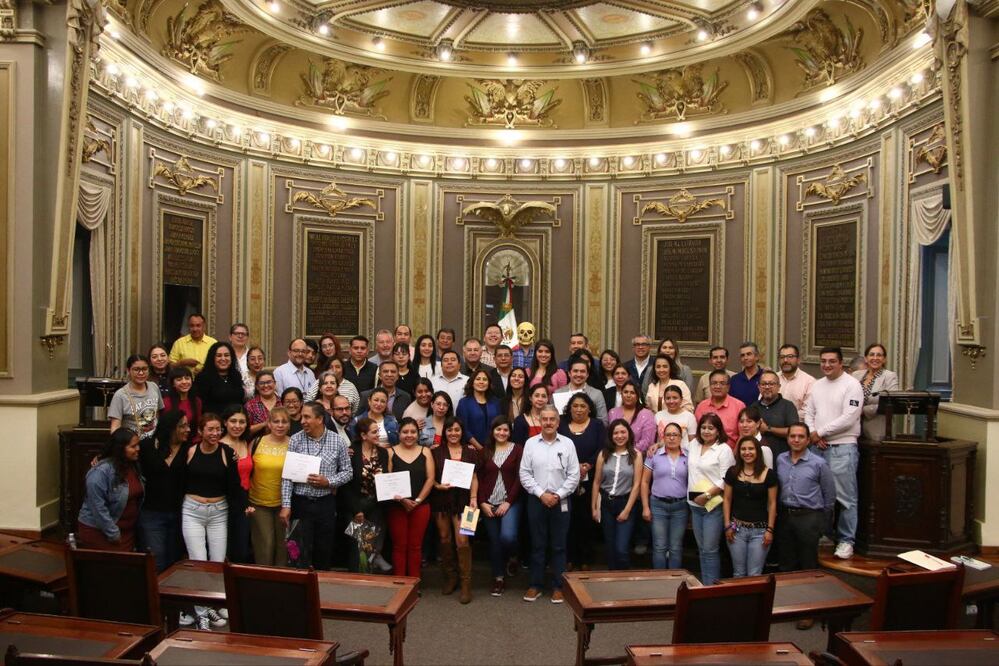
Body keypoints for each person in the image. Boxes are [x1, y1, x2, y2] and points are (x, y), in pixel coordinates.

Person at [803, 347, 863, 560]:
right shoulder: (818, 386)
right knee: (819, 497)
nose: (827, 365)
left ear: (841, 363)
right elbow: (809, 412)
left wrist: (821, 432)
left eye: (831, 361)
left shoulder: (852, 385)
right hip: (817, 448)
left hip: (842, 448)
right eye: (823, 361)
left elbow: (849, 417)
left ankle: (846, 541)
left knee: (846, 498)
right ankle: (826, 534)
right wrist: (812, 433)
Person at [183, 413, 242, 630]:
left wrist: (243, 506)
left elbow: (235, 485)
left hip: (219, 511)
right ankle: (201, 612)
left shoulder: (227, 453)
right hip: (192, 511)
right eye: (210, 429)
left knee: (217, 563)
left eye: (218, 429)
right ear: (200, 431)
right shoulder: (190, 451)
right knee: (198, 561)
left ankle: (216, 603)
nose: (215, 433)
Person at [776, 422, 836, 629]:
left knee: (808, 565)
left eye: (801, 436)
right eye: (792, 436)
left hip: (809, 517)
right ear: (788, 438)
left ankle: (809, 611)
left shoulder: (818, 463)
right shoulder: (781, 460)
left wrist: (822, 523)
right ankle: (789, 606)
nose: (796, 440)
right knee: (787, 563)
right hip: (785, 515)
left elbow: (829, 497)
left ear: (808, 439)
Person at [279, 402, 352, 570]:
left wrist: (329, 482)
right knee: (297, 552)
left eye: (307, 417)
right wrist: (286, 505)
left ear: (319, 419)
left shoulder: (338, 441)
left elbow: (348, 472)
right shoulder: (296, 439)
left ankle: (321, 590)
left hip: (325, 504)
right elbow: (287, 476)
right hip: (300, 503)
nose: (302, 421)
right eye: (302, 417)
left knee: (323, 551)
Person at [519, 405, 580, 603]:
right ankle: (535, 585)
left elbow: (574, 475)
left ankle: (558, 586)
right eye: (544, 419)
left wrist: (558, 495)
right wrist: (541, 494)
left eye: (552, 419)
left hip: (560, 500)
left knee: (559, 546)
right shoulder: (530, 444)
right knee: (537, 544)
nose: (548, 423)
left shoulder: (568, 444)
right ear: (540, 421)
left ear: (557, 421)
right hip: (537, 500)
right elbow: (525, 473)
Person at [431, 418, 479, 604]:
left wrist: (474, 498)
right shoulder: (436, 452)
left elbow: (474, 478)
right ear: (445, 432)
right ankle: (450, 577)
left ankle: (466, 584)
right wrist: (437, 485)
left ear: (462, 432)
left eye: (457, 430)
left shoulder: (471, 452)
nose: (453, 433)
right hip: (441, 502)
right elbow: (430, 477)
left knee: (463, 541)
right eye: (449, 430)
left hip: (466, 504)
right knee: (445, 538)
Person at [475, 417, 523, 596]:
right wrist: (481, 502)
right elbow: (477, 479)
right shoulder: (484, 451)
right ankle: (498, 578)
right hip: (488, 503)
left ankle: (512, 556)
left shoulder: (518, 449)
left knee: (508, 537)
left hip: (511, 502)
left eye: (505, 430)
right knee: (494, 542)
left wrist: (508, 502)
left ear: (510, 432)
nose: (502, 433)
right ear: (492, 431)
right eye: (498, 429)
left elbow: (520, 478)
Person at [687, 412, 736, 585]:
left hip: (712, 506)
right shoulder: (693, 444)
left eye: (711, 428)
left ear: (718, 431)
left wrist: (707, 495)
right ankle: (704, 585)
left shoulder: (724, 449)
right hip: (694, 505)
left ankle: (711, 588)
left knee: (710, 549)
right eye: (703, 427)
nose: (706, 431)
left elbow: (727, 479)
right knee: (701, 549)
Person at [559, 392, 605, 571]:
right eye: (575, 406)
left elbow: (602, 448)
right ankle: (569, 557)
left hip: (590, 479)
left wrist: (588, 465)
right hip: (564, 479)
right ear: (569, 408)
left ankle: (586, 558)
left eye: (583, 406)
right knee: (567, 519)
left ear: (589, 409)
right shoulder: (561, 425)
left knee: (585, 520)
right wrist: (573, 467)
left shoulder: (597, 425)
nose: (579, 409)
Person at [78, 429, 144, 551]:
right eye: (133, 446)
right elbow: (98, 507)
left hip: (127, 532)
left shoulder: (132, 465)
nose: (138, 449)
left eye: (138, 445)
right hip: (101, 532)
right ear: (120, 448)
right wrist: (113, 533)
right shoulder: (101, 472)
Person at [139, 411, 189, 572]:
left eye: (187, 425)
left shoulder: (189, 449)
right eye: (182, 426)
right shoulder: (147, 446)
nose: (187, 429)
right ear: (170, 428)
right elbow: (124, 456)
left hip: (179, 513)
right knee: (156, 560)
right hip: (152, 512)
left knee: (174, 560)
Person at [386, 417, 435, 577]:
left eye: (413, 432)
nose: (409, 435)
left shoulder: (425, 451)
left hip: (421, 506)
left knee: (415, 546)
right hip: (396, 507)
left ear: (418, 433)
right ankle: (399, 583)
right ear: (398, 433)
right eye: (405, 432)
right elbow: (387, 480)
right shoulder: (390, 452)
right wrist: (402, 500)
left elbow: (430, 479)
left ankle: (414, 583)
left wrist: (417, 501)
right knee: (399, 546)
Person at [723, 436, 778, 577]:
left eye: (751, 449)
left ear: (758, 451)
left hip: (760, 532)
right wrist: (727, 525)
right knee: (738, 573)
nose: (747, 452)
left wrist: (770, 530)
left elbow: (772, 504)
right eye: (743, 449)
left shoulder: (769, 475)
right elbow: (727, 499)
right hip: (736, 531)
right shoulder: (732, 472)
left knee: (755, 574)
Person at [591, 420, 642, 570]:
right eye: (616, 433)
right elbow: (596, 482)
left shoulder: (636, 455)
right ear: (611, 436)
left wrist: (626, 510)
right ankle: (612, 579)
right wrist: (594, 507)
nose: (619, 436)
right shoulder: (603, 454)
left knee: (621, 548)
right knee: (610, 547)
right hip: (606, 503)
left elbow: (637, 484)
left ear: (629, 434)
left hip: (626, 503)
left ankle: (624, 580)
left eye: (623, 432)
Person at [343, 417, 391, 572]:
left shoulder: (383, 452)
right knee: (358, 549)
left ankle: (372, 582)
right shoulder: (351, 452)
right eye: (374, 432)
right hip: (356, 506)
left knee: (373, 545)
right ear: (363, 435)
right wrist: (356, 510)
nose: (378, 434)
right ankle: (356, 584)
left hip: (376, 505)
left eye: (378, 431)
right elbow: (346, 485)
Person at [641, 422, 688, 569]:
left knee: (675, 547)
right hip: (658, 506)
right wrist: (645, 507)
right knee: (659, 546)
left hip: (680, 507)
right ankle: (660, 580)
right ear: (663, 437)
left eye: (675, 435)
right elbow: (644, 482)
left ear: (681, 437)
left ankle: (675, 583)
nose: (672, 438)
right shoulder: (654, 455)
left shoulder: (689, 455)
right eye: (668, 435)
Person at [248, 407, 291, 567]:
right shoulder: (257, 442)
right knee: (264, 547)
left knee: (283, 549)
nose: (280, 425)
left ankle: (281, 584)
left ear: (289, 424)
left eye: (284, 422)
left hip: (284, 504)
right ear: (269, 424)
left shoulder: (294, 444)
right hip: (259, 503)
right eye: (276, 421)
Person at [220, 405, 253, 563]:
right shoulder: (218, 445)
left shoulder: (246, 443)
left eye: (242, 422)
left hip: (245, 502)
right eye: (233, 421)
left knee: (242, 550)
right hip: (224, 501)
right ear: (225, 422)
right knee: (225, 549)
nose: (237, 426)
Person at [109, 354, 163, 441]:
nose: (141, 373)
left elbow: (158, 414)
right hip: (133, 445)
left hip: (153, 442)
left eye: (144, 369)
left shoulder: (154, 387)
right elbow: (115, 427)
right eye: (136, 369)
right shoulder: (120, 395)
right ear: (128, 370)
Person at [852, 343, 899, 442]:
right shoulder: (856, 375)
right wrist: (853, 409)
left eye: (879, 355)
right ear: (866, 358)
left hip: (877, 430)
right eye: (872, 354)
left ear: (884, 359)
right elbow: (848, 397)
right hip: (853, 429)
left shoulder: (889, 376)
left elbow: (891, 402)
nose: (875, 358)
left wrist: (863, 410)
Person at [752, 370, 800, 460]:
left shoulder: (788, 406)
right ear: (758, 387)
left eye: (771, 384)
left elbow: (794, 432)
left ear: (778, 386)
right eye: (763, 384)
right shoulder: (753, 407)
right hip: (757, 458)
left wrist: (768, 429)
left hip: (783, 458)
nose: (767, 387)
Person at [694, 370, 745, 446]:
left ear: (728, 387)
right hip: (705, 453)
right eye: (714, 383)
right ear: (710, 386)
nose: (718, 386)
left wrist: (735, 454)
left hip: (731, 453)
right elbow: (697, 434)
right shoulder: (701, 407)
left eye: (722, 383)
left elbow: (743, 434)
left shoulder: (739, 406)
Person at [193, 342, 245, 416]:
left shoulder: (236, 375)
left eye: (226, 355)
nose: (223, 359)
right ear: (212, 358)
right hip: (214, 422)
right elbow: (200, 405)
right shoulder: (203, 377)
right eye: (219, 356)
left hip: (236, 422)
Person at [456, 369, 503, 451]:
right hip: (471, 448)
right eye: (478, 379)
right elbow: (463, 428)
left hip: (494, 447)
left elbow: (499, 425)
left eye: (485, 379)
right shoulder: (464, 403)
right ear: (472, 383)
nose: (481, 382)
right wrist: (480, 448)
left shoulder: (495, 402)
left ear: (489, 383)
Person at [553, 357, 609, 423]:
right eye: (575, 371)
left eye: (582, 371)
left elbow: (603, 421)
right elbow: (553, 418)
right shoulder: (558, 393)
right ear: (569, 373)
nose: (579, 374)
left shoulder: (596, 394)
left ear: (587, 374)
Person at [608, 380, 657, 453]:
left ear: (638, 396)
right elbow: (609, 437)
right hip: (615, 455)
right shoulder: (612, 412)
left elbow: (647, 441)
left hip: (638, 456)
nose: (628, 395)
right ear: (621, 394)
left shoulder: (647, 414)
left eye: (632, 393)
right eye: (625, 392)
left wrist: (626, 453)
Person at [654, 385, 698, 451]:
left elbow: (692, 443)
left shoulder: (689, 417)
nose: (671, 401)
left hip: (683, 456)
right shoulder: (658, 415)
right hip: (662, 455)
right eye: (668, 398)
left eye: (675, 398)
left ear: (681, 399)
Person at [163, 367, 201, 441]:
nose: (184, 382)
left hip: (192, 441)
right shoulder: (165, 402)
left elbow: (198, 423)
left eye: (187, 378)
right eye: (179, 380)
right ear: (173, 384)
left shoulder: (196, 401)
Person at [245, 370, 281, 438]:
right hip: (258, 444)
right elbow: (245, 430)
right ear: (257, 386)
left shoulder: (283, 402)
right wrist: (264, 424)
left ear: (275, 383)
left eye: (269, 382)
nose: (266, 385)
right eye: (262, 383)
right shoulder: (250, 405)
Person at [730, 342, 765, 407]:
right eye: (742, 355)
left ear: (757, 356)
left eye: (749, 354)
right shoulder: (734, 379)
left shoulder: (765, 377)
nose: (745, 358)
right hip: (739, 416)